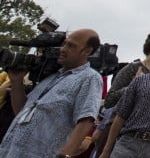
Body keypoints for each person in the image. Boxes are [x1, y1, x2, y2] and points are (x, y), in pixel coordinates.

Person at [0, 28, 103, 158]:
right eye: (64, 44)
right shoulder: (51, 76)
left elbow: (86, 119)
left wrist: (65, 155)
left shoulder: (90, 77)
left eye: (71, 46)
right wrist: (16, 82)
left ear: (87, 51)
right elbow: (21, 111)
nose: (63, 49)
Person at [93, 32, 150, 154]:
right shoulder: (132, 67)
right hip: (116, 129)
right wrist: (133, 86)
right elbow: (109, 100)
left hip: (139, 137)